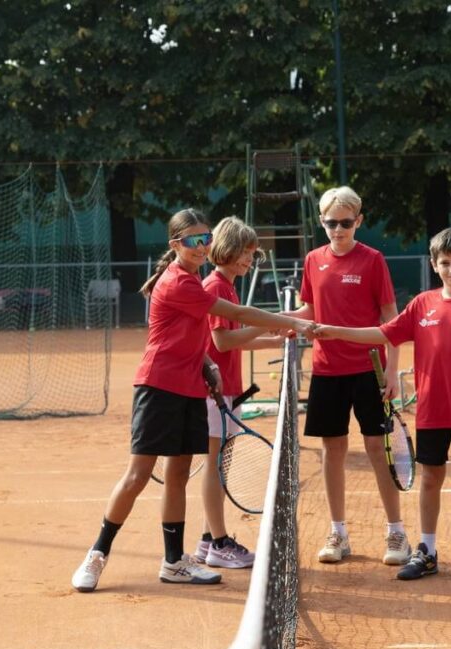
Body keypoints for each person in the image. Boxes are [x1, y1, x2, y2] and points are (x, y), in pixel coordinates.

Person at [71, 208, 313, 592]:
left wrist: (204, 363)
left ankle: (173, 562)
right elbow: (233, 313)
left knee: (178, 477)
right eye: (194, 240)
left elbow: (184, 334)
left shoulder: (194, 277)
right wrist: (294, 322)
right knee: (136, 476)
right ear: (176, 244)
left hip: (189, 388)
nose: (202, 247)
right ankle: (97, 554)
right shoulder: (179, 282)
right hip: (158, 387)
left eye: (206, 239)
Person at [313, 227, 451, 582]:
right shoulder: (421, 305)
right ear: (434, 265)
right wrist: (336, 330)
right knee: (430, 478)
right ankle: (427, 550)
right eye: (445, 263)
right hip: (432, 411)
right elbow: (383, 332)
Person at [287, 186, 411, 566]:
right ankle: (338, 532)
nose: (337, 229)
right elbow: (308, 309)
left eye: (345, 223)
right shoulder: (312, 260)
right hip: (326, 370)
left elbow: (392, 320)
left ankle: (397, 533)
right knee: (332, 451)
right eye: (330, 223)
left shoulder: (373, 260)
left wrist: (391, 371)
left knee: (378, 449)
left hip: (368, 371)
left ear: (358, 221)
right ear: (321, 221)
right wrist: (272, 321)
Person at [194, 216, 286, 569]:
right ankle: (218, 542)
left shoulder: (228, 286)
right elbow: (222, 340)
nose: (250, 259)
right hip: (212, 392)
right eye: (246, 252)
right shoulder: (216, 286)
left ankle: (206, 541)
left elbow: (235, 343)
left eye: (252, 253)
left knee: (221, 464)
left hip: (226, 389)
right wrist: (269, 323)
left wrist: (273, 339)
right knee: (216, 466)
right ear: (228, 250)